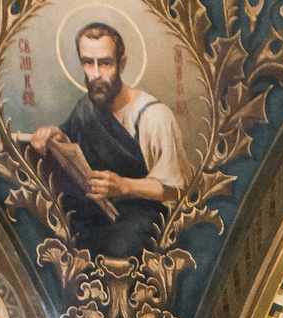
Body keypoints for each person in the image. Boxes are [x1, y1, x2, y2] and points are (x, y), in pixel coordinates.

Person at [26, 22, 188, 258]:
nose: (96, 74)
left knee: (115, 248)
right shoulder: (86, 107)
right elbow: (73, 143)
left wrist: (124, 186)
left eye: (105, 63)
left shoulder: (154, 116)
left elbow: (175, 190)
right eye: (87, 63)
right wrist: (56, 137)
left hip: (139, 217)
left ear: (121, 64)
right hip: (92, 213)